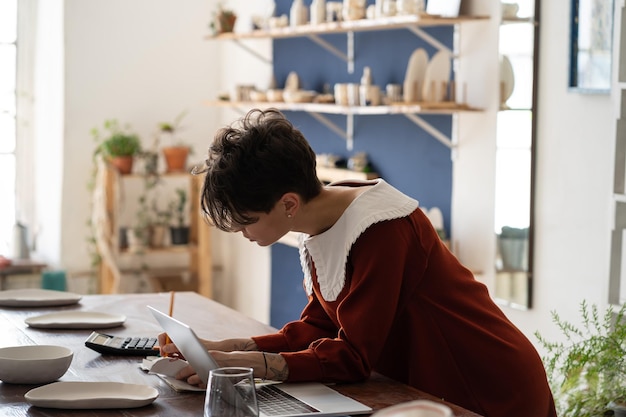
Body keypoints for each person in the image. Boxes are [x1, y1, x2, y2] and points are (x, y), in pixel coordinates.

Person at [158, 108, 557, 417]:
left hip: (487, 385)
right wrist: (225, 349)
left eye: (247, 220)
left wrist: (247, 365)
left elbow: (353, 357)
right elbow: (318, 326)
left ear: (288, 204)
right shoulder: (325, 219)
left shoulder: (382, 229)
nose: (243, 233)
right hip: (433, 386)